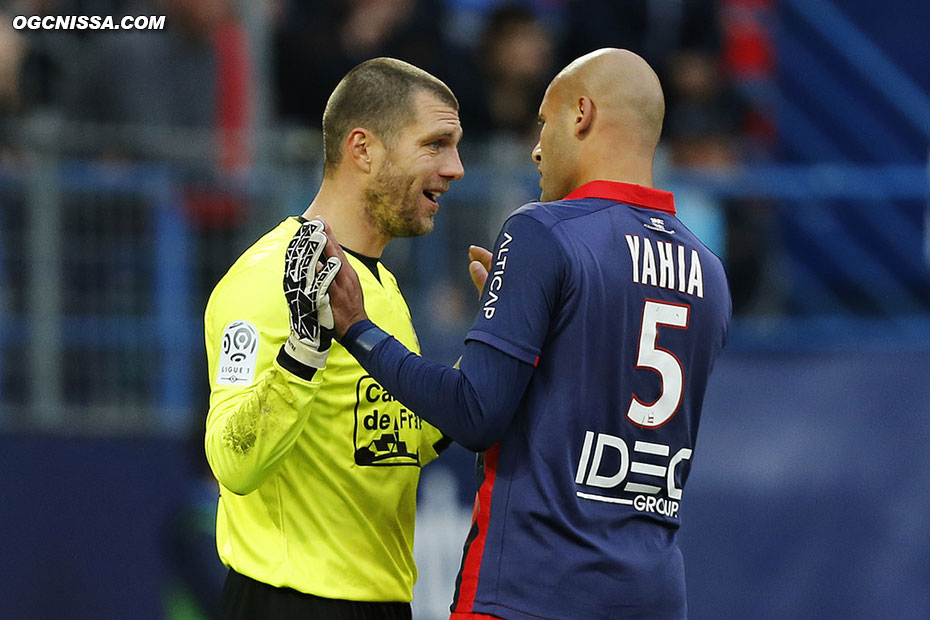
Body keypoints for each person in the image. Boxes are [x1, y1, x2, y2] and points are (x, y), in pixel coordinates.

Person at [323, 48, 732, 619]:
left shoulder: (543, 231)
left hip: (533, 589)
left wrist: (359, 329)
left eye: (544, 121)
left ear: (582, 114)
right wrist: (520, 313)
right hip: (652, 596)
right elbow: (604, 395)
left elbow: (475, 413)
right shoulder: (709, 270)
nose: (536, 147)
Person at [203, 57, 464, 619]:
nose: (457, 168)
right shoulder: (264, 280)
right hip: (289, 600)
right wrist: (302, 352)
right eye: (437, 144)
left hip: (382, 602)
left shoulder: (382, 291)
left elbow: (393, 442)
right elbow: (231, 462)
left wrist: (497, 353)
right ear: (363, 149)